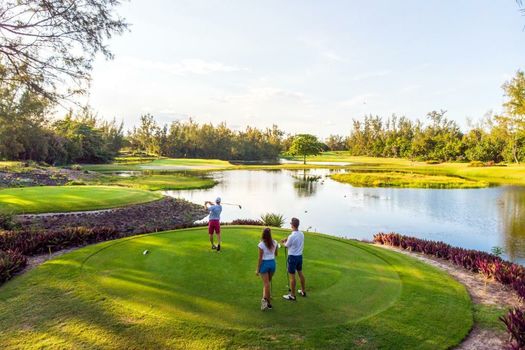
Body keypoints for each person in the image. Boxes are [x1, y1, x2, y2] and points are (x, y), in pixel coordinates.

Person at [281, 217, 306, 301]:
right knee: (300, 273)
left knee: (292, 277)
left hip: (292, 257)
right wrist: (287, 239)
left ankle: (292, 295)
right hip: (299, 257)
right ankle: (303, 291)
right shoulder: (301, 234)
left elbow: (286, 245)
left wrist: (284, 242)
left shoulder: (291, 236)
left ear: (292, 225)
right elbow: (293, 238)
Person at [256, 227, 278, 310]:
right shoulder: (275, 242)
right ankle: (265, 297)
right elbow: (276, 254)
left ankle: (268, 304)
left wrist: (257, 269)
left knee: (266, 284)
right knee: (267, 282)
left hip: (265, 264)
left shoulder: (261, 244)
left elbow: (260, 258)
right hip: (272, 264)